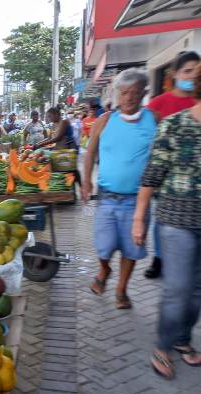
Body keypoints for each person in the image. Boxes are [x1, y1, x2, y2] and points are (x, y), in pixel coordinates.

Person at [131, 64, 201, 378]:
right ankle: (163, 344)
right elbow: (152, 175)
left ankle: (183, 338)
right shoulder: (174, 124)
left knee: (197, 290)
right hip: (177, 220)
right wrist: (139, 218)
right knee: (178, 288)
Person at [80, 68, 157, 310]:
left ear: (144, 93)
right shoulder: (104, 121)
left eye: (135, 93)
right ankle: (104, 268)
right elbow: (90, 151)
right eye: (124, 93)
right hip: (107, 197)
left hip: (138, 200)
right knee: (103, 246)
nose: (129, 98)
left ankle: (121, 290)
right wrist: (86, 180)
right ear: (116, 94)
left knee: (131, 249)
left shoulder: (153, 120)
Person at [142, 50, 200, 279]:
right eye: (187, 71)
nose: (192, 77)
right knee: (162, 220)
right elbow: (149, 139)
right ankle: (159, 258)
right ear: (174, 74)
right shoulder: (158, 104)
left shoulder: (197, 101)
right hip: (167, 179)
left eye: (196, 72)